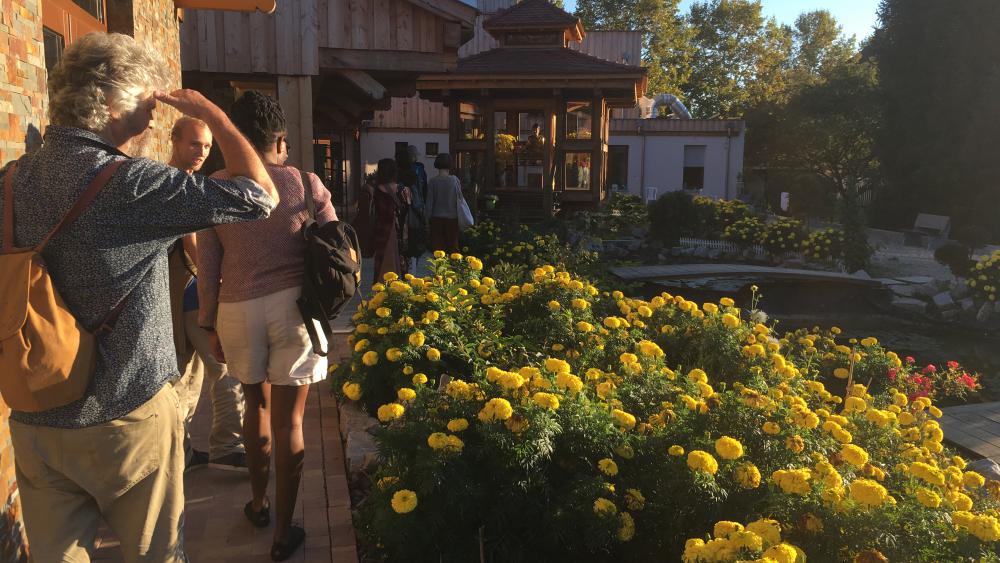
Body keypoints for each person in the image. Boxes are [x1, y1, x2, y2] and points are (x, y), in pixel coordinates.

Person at [0, 32, 278, 562]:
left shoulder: (10, 182)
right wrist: (217, 117)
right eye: (147, 104)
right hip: (127, 415)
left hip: (35, 415)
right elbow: (259, 196)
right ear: (110, 103)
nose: (154, 119)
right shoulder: (132, 184)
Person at [197, 90, 335, 561]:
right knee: (291, 420)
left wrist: (208, 323)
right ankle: (282, 534)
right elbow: (336, 240)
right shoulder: (303, 182)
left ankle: (256, 504)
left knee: (253, 402)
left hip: (235, 309)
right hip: (293, 308)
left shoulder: (216, 186)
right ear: (278, 139)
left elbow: (209, 263)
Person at [167, 116, 247, 472]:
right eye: (194, 144)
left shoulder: (170, 181)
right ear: (175, 140)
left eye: (207, 146)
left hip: (177, 297)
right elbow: (193, 244)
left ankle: (181, 453)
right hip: (191, 295)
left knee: (188, 378)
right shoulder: (179, 185)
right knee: (227, 369)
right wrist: (215, 284)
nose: (201, 152)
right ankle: (227, 446)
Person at [371, 158, 411, 280]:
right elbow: (408, 209)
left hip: (382, 232)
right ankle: (401, 291)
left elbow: (374, 213)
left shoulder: (376, 191)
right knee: (401, 264)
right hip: (401, 233)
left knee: (382, 264)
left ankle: (381, 292)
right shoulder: (404, 190)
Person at [425, 153, 462, 254]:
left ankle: (439, 269)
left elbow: (429, 203)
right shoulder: (455, 180)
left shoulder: (433, 182)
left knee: (438, 250)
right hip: (452, 218)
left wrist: (427, 219)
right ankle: (453, 268)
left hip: (436, 218)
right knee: (453, 248)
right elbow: (459, 200)